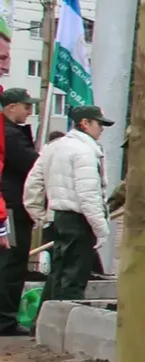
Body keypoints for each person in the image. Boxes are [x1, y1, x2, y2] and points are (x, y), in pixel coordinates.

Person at [25, 105, 113, 304]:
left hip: (56, 216)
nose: (102, 129)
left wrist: (42, 216)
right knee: (73, 278)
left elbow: (32, 185)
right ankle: (65, 328)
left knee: (56, 275)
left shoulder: (54, 147)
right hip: (78, 220)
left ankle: (43, 326)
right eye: (99, 124)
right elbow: (88, 195)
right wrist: (101, 229)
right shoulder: (85, 151)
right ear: (85, 123)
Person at [0, 89, 38, 334]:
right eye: (26, 106)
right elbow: (32, 163)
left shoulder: (12, 133)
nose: (29, 111)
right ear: (11, 107)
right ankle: (5, 320)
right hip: (10, 208)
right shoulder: (10, 135)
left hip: (10, 206)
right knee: (11, 263)